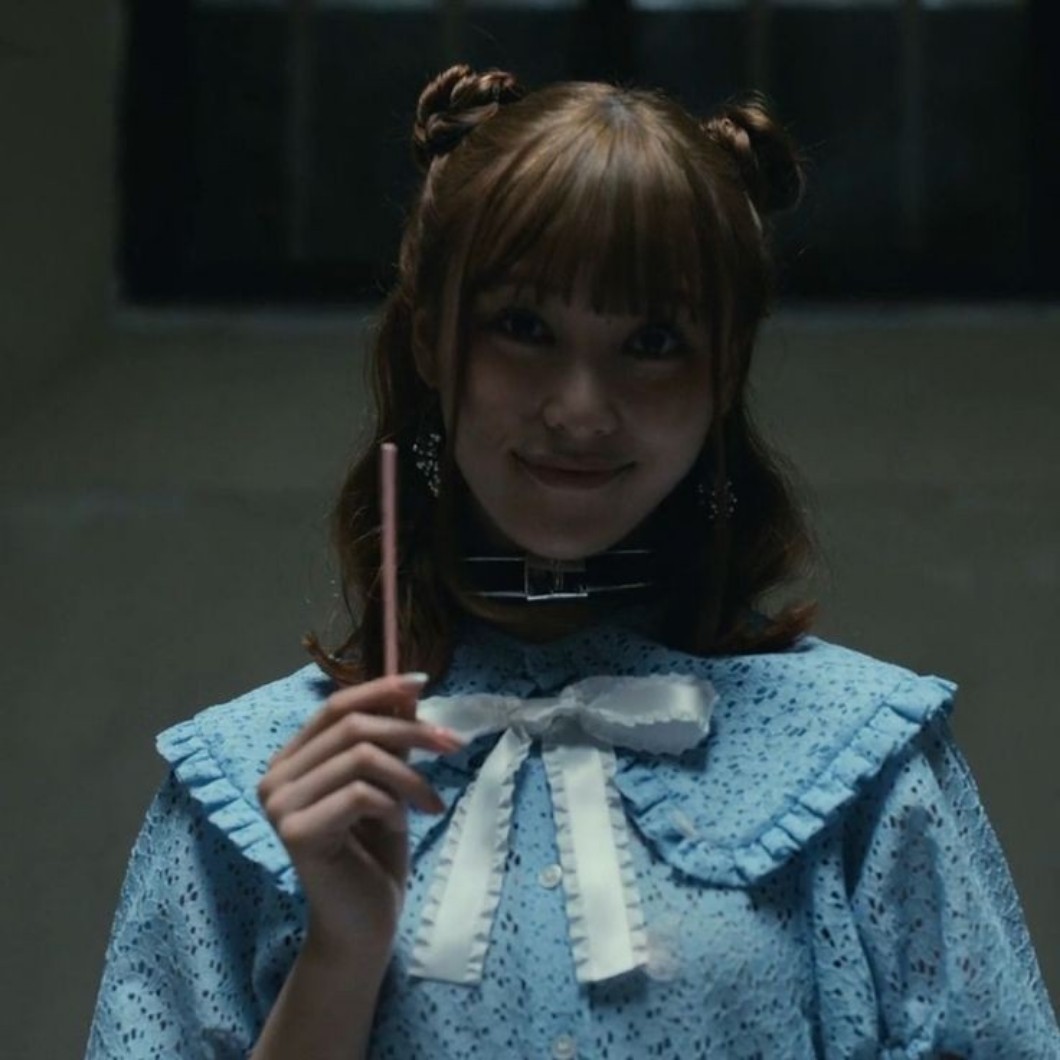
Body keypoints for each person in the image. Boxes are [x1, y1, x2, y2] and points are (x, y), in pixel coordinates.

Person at [86, 65, 1058, 1059]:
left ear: (725, 370)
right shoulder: (246, 791)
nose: (581, 409)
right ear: (430, 343)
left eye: (652, 340)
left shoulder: (860, 765)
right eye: (524, 328)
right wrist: (338, 956)